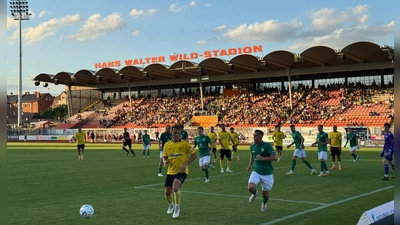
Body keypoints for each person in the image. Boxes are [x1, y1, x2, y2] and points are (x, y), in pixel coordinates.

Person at [163, 124, 197, 218]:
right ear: (171, 132)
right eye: (175, 132)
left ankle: (177, 207)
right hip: (170, 171)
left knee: (176, 187)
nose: (177, 134)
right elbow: (165, 156)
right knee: (167, 192)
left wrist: (185, 164)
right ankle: (171, 205)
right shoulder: (167, 145)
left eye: (178, 133)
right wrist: (165, 161)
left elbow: (194, 155)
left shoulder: (185, 144)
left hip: (182, 171)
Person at [247, 130, 277, 211]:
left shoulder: (267, 145)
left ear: (261, 136)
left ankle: (264, 203)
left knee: (265, 195)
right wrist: (250, 165)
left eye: (256, 135)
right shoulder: (252, 146)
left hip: (267, 173)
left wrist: (264, 158)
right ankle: (255, 193)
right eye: (254, 135)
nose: (254, 137)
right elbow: (252, 155)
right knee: (250, 187)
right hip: (256, 171)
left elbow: (275, 157)